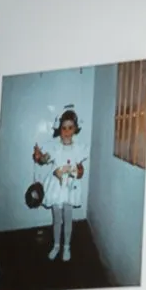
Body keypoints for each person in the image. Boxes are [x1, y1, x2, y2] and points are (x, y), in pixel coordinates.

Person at [32, 109, 89, 262]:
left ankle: (67, 246)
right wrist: (39, 157)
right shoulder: (55, 147)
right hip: (56, 187)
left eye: (70, 128)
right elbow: (45, 159)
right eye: (64, 128)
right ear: (60, 129)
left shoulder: (78, 149)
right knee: (57, 219)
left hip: (70, 187)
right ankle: (56, 245)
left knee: (68, 218)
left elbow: (80, 170)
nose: (67, 132)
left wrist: (79, 172)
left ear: (75, 129)